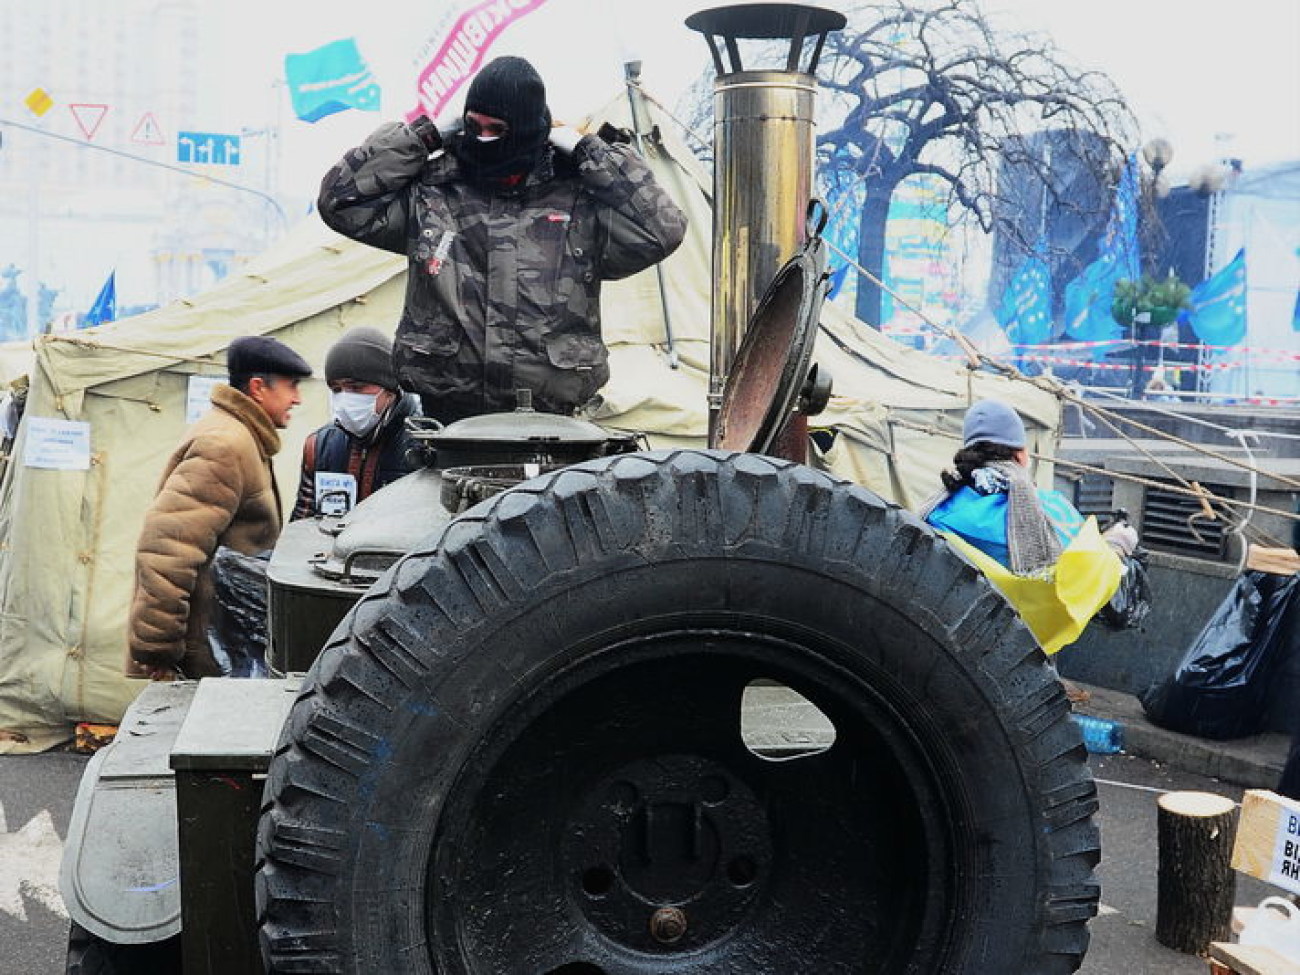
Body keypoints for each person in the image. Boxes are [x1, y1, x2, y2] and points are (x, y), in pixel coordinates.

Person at [317, 55, 687, 425]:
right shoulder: (433, 192)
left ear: (526, 129)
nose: (482, 138)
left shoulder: (578, 198)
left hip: (552, 426)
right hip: (448, 422)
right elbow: (340, 201)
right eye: (472, 124)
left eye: (496, 129)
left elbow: (662, 228)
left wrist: (588, 150)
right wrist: (423, 136)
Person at [127, 335, 312, 680]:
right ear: (258, 387)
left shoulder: (240, 437)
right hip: (208, 653)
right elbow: (169, 548)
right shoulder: (224, 445)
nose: (298, 398)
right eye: (291, 386)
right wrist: (158, 647)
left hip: (228, 646)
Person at [921, 399, 1137, 574]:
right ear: (1021, 455)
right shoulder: (1049, 508)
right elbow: (1085, 576)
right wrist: (1116, 546)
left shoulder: (936, 511)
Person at [291, 326, 421, 520]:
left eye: (357, 387)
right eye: (336, 389)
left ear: (389, 390)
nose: (345, 398)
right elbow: (303, 525)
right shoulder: (319, 445)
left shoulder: (423, 444)